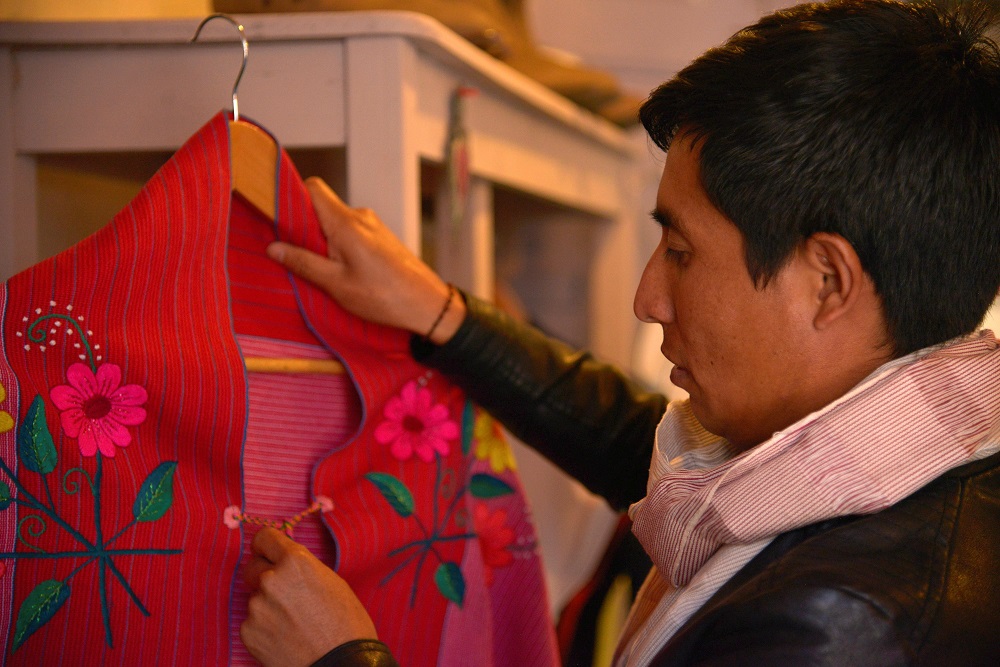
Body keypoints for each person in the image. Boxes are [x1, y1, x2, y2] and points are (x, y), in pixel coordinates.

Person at [239, 0, 1000, 665]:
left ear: (827, 282)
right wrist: (443, 314)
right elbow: (637, 444)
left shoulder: (837, 622)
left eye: (681, 253)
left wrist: (339, 657)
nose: (647, 298)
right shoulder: (916, 455)